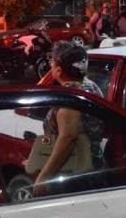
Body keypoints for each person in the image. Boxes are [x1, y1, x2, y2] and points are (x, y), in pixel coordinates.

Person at [31, 42, 104, 196]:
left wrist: (45, 175)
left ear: (58, 69)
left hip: (73, 173)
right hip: (93, 164)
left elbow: (68, 138)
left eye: (53, 63)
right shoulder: (91, 87)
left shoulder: (70, 96)